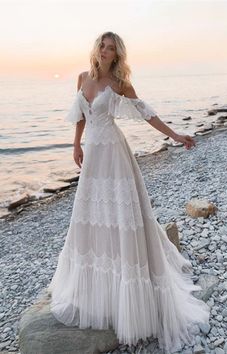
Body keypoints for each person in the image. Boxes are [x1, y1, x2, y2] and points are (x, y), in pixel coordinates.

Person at [47, 31, 210, 353]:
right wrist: (76, 145)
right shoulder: (82, 77)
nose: (106, 52)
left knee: (121, 215)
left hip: (114, 153)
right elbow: (81, 114)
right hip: (92, 153)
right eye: (102, 47)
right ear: (96, 49)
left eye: (111, 48)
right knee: (90, 215)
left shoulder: (120, 83)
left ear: (117, 54)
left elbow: (146, 113)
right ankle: (95, 284)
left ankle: (130, 288)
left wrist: (175, 135)